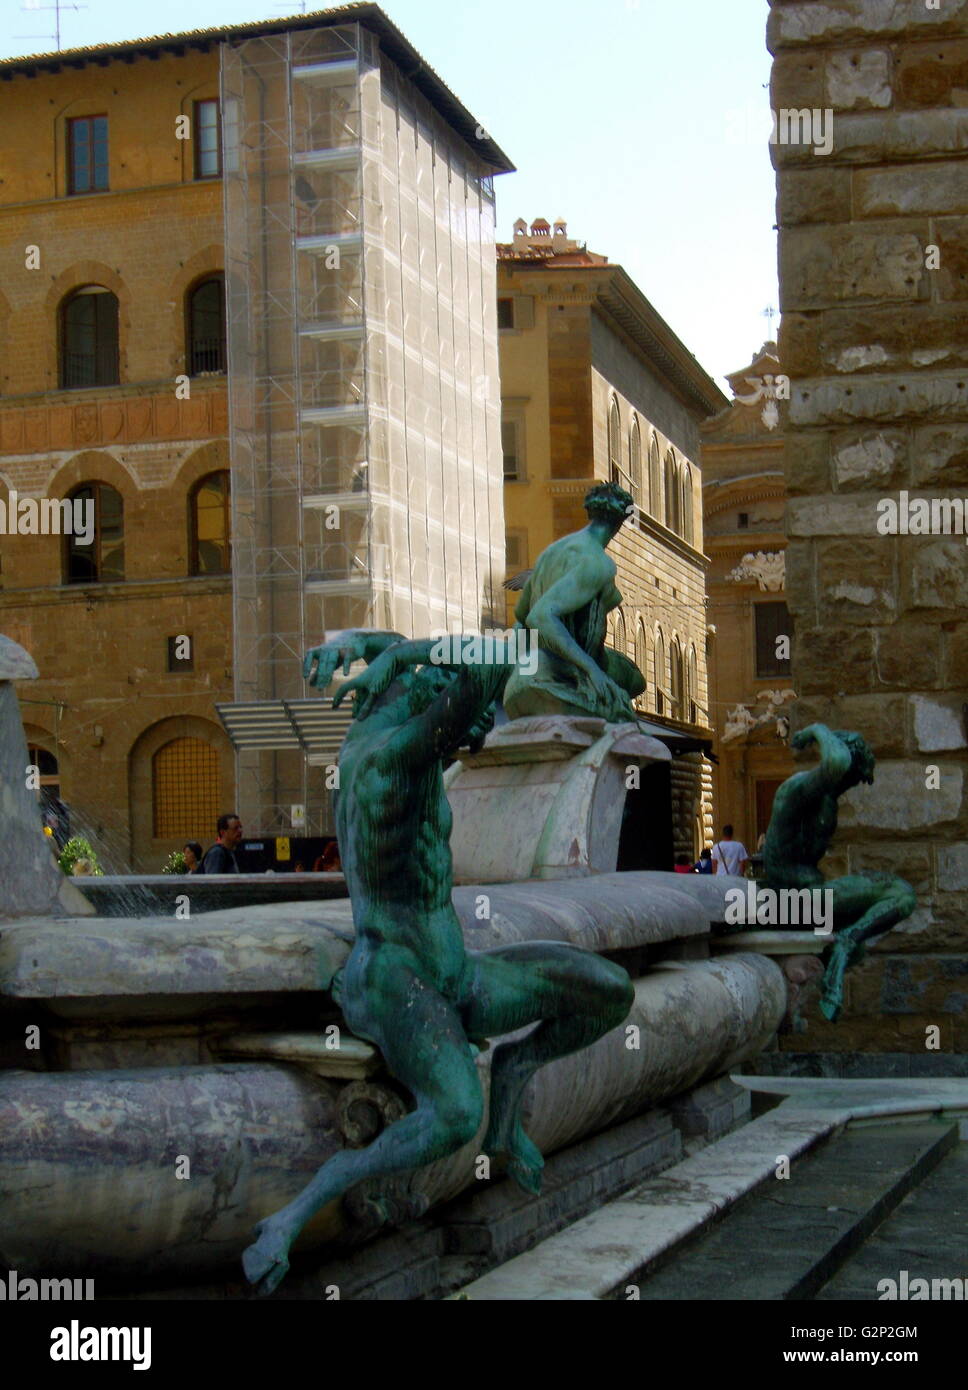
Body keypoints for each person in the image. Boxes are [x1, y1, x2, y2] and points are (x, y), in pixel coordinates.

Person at [241, 629, 633, 1295]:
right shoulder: (395, 758)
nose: (478, 726)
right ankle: (296, 1211)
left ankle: (514, 1074)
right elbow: (506, 653)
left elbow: (423, 662)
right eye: (466, 714)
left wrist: (374, 643)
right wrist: (399, 655)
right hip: (396, 978)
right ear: (426, 695)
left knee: (608, 989)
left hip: (453, 969)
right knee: (453, 1116)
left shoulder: (392, 729)